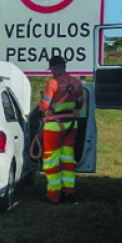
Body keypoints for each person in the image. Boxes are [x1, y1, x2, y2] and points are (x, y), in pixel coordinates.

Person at [38, 54, 84, 204]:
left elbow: (44, 106)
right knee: (68, 159)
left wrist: (43, 102)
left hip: (53, 126)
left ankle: (54, 195)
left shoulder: (52, 83)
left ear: (56, 68)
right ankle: (69, 192)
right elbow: (80, 104)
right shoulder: (77, 83)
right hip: (72, 125)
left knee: (51, 161)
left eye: (51, 68)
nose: (51, 71)